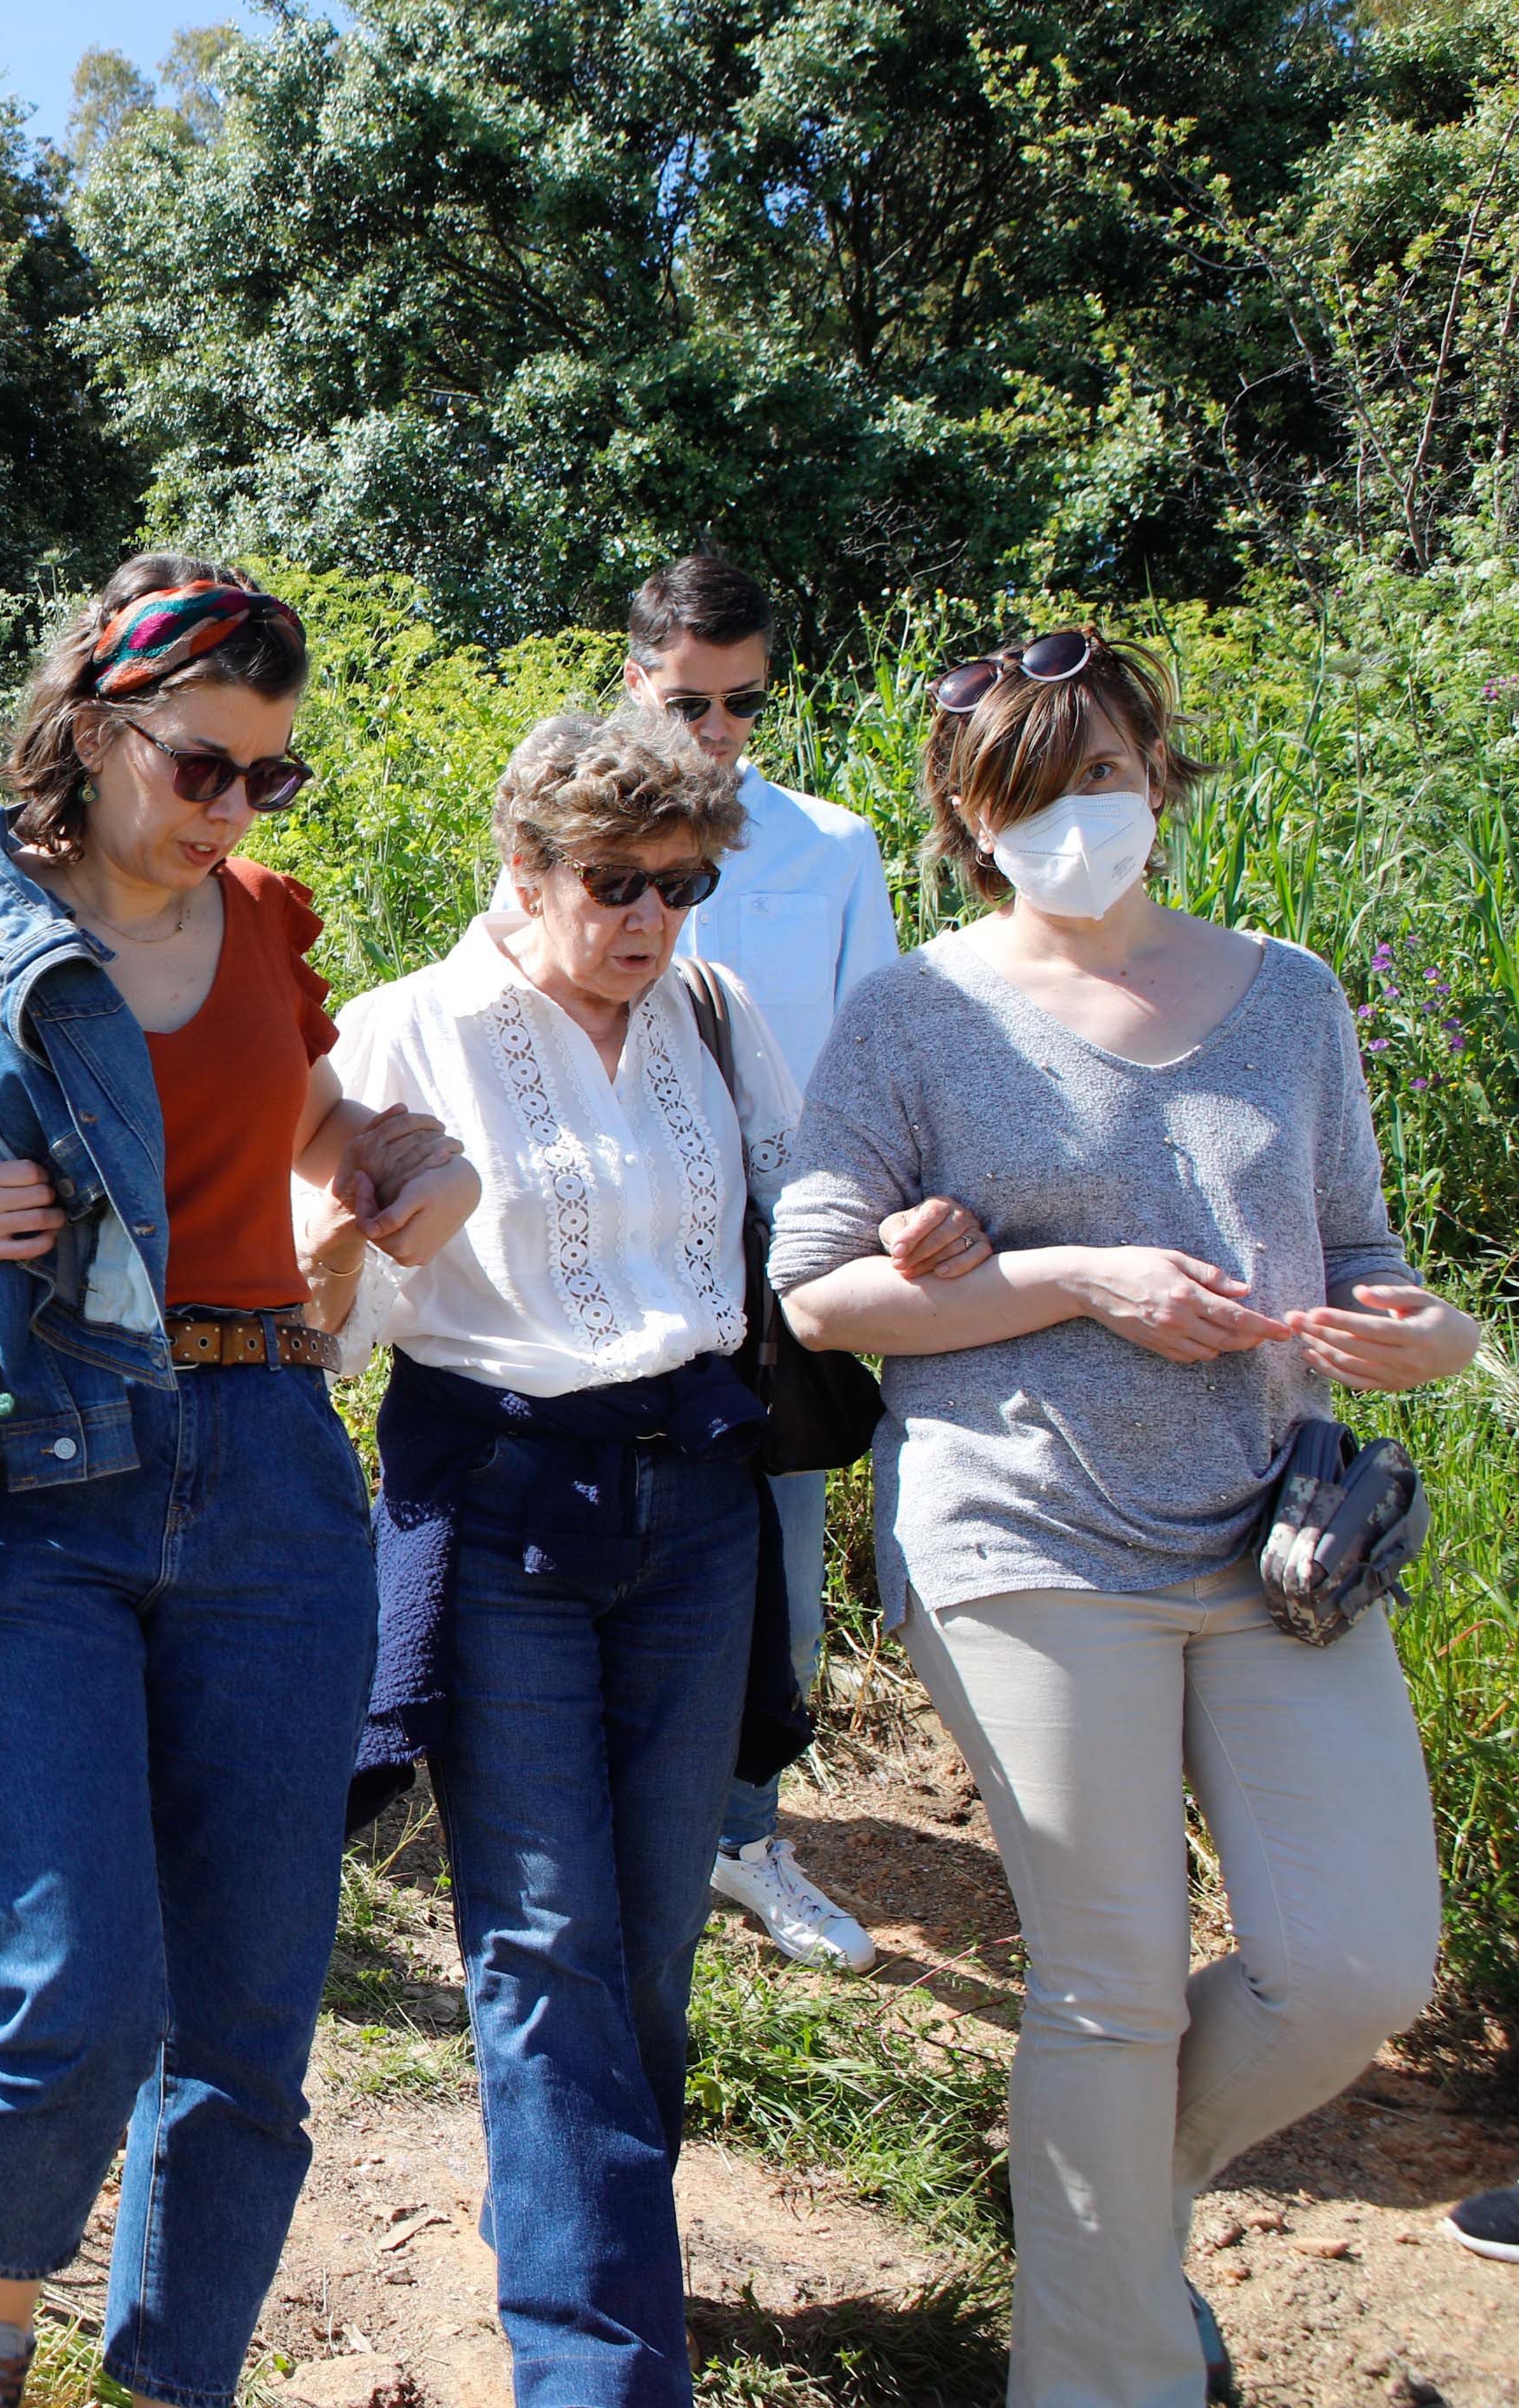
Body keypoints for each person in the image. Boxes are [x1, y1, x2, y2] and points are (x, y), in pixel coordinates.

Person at [0, 556, 479, 2408]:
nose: (234, 811)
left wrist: (405, 1160)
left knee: (247, 2026)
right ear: (91, 733)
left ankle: (176, 2382)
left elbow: (322, 1126)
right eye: (201, 767)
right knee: (75, 1990)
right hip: (30, 1480)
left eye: (271, 777)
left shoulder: (260, 922)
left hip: (265, 1476)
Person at [773, 627, 1470, 2408]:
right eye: (1028, 790)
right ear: (966, 814)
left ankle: (1109, 2202)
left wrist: (1417, 1335)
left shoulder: (1294, 994)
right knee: (1113, 1980)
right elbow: (823, 1295)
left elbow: (1367, 1249)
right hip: (1022, 1535)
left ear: (1158, 773)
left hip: (1271, 1541)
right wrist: (1075, 1278)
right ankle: (1107, 2372)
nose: (1077, 816)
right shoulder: (915, 1012)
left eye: (1102, 773)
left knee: (1356, 1963)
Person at [323, 705, 980, 2408]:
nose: (650, 921)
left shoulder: (711, 1005)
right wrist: (352, 1230)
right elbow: (335, 1335)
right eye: (616, 882)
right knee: (545, 1945)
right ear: (522, 866)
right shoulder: (405, 1033)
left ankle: (590, 2237)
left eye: (682, 884)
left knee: (654, 1950)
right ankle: (602, 2364)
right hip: (502, 1514)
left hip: (693, 1514)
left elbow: (804, 1203)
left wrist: (904, 1230)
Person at [616, 553, 900, 1977]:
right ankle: (615, 1810)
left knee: (780, 1561)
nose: (714, 731)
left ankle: (744, 1833)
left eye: (737, 704)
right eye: (686, 702)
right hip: (606, 1257)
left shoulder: (828, 850)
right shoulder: (564, 842)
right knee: (605, 1531)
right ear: (632, 684)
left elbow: (871, 1062)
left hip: (775, 1260)